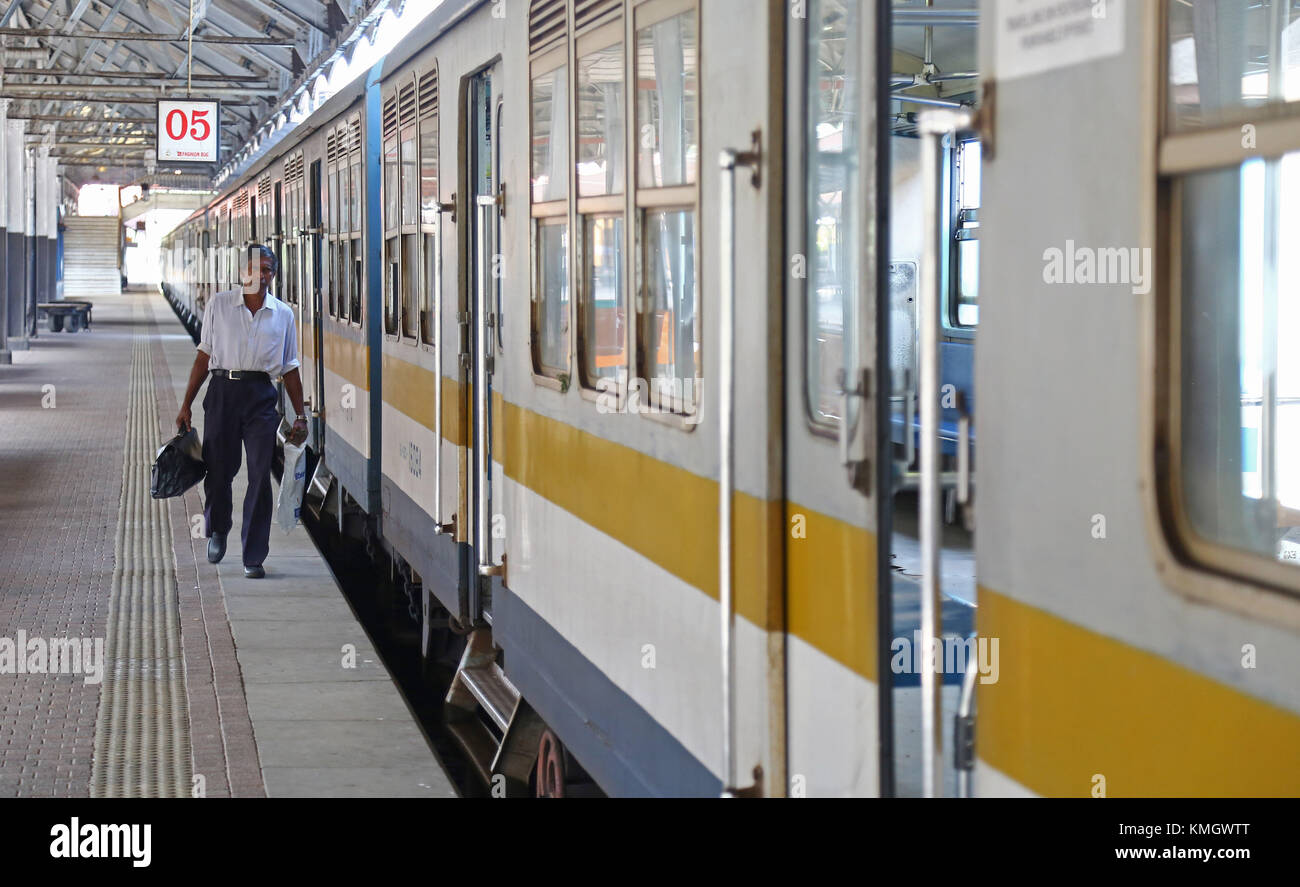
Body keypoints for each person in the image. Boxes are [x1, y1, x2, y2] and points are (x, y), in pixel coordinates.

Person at [175, 244, 308, 579]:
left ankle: (254, 554)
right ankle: (218, 528)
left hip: (262, 396)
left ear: (273, 275)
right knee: (219, 471)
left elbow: (290, 368)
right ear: (241, 272)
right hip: (223, 392)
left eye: (267, 270)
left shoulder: (284, 314)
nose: (260, 276)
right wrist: (186, 403)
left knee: (261, 475)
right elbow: (204, 357)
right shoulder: (219, 305)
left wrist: (300, 414)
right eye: (254, 269)